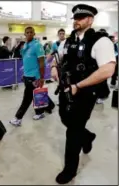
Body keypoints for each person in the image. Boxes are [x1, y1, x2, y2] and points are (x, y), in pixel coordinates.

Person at [51, 4, 116, 184]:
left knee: (73, 130)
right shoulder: (68, 40)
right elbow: (56, 57)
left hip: (86, 91)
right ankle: (88, 137)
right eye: (75, 18)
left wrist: (79, 85)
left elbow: (108, 70)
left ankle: (69, 169)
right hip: (66, 88)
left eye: (81, 17)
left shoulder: (100, 41)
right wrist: (54, 67)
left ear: (90, 20)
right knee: (65, 118)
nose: (76, 21)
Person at [9, 27, 54, 126]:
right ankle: (41, 112)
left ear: (34, 34)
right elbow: (26, 61)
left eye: (31, 32)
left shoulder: (37, 45)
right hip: (27, 76)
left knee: (27, 98)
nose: (29, 34)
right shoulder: (25, 45)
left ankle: (18, 118)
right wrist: (24, 75)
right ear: (24, 34)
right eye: (27, 33)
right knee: (36, 94)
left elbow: (41, 63)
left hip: (35, 77)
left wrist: (42, 77)